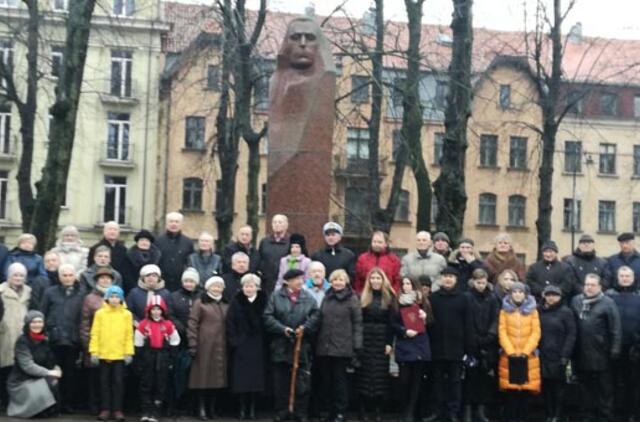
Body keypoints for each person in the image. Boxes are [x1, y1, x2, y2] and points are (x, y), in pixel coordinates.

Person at [264, 268, 320, 422]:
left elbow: (316, 316)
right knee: (280, 382)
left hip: (301, 346)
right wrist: (283, 329)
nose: (300, 282)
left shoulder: (308, 298)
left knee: (302, 382)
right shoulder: (276, 296)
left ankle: (300, 412)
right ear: (287, 281)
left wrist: (305, 328)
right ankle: (282, 410)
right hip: (281, 345)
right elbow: (268, 317)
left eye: (301, 279)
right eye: (296, 279)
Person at [571, 273, 621, 422]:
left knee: (604, 388)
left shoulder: (608, 303)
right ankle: (586, 415)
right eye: (587, 284)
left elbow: (616, 328)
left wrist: (615, 349)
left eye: (593, 285)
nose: (589, 288)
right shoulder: (576, 301)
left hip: (602, 353)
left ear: (600, 287)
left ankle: (605, 416)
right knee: (584, 387)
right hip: (581, 352)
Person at [315, 269, 362, 422]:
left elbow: (357, 323)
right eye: (335, 280)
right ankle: (328, 411)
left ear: (346, 281)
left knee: (339, 382)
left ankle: (340, 412)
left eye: (341, 280)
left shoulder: (352, 298)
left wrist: (357, 346)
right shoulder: (326, 297)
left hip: (342, 347)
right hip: (324, 346)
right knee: (325, 382)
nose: (338, 282)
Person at [428, 267, 474, 422]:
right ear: (441, 279)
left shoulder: (464, 298)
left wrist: (468, 348)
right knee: (436, 381)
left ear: (456, 280)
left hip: (456, 347)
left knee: (455, 382)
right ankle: (437, 410)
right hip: (437, 346)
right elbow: (428, 323)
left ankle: (453, 411)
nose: (448, 279)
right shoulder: (433, 298)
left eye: (451, 277)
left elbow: (468, 324)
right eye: (445, 276)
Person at [40, 263, 85, 413]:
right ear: (59, 277)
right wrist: (45, 333)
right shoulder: (50, 292)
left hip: (73, 340)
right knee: (53, 373)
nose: (67, 278)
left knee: (71, 375)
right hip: (54, 339)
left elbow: (83, 318)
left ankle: (68, 404)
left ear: (75, 276)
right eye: (64, 275)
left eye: (70, 275)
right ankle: (53, 404)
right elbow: (42, 314)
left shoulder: (82, 293)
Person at [356, 267, 395, 422]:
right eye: (373, 278)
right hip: (365, 339)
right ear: (369, 281)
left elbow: (392, 323)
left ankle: (378, 410)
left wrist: (388, 343)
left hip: (381, 340)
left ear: (383, 280)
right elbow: (358, 321)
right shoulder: (363, 297)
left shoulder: (389, 297)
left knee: (379, 377)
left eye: (378, 278)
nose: (375, 281)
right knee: (364, 376)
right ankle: (362, 409)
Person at [226, 273, 268, 420]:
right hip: (241, 345)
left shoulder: (264, 301)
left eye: (251, 286)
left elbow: (267, 321)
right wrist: (234, 341)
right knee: (242, 380)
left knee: (256, 380)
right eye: (246, 286)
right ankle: (242, 409)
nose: (248, 289)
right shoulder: (236, 302)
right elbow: (230, 322)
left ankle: (252, 409)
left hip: (258, 344)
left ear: (257, 287)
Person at [89, 285, 134, 422]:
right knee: (104, 383)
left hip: (120, 355)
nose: (114, 299)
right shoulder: (100, 313)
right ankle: (105, 409)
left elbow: (129, 335)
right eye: (112, 296)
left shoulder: (127, 314)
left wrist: (128, 352)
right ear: (107, 298)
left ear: (121, 299)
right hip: (103, 354)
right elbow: (95, 333)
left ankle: (118, 409)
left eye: (117, 297)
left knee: (118, 383)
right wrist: (94, 351)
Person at [498, 282, 541, 422]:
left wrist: (526, 351)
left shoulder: (533, 311)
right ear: (510, 294)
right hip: (509, 356)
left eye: (520, 292)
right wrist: (510, 351)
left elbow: (536, 332)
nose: (517, 294)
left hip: (528, 357)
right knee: (511, 392)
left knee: (526, 391)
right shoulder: (504, 312)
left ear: (525, 294)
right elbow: (502, 332)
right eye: (514, 292)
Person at [188, 276, 229, 421]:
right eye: (214, 286)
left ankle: (212, 409)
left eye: (219, 286)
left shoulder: (225, 304)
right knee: (203, 379)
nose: (217, 288)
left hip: (221, 346)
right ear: (208, 287)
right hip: (204, 345)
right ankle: (201, 409)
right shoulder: (200, 303)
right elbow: (193, 323)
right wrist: (192, 343)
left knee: (217, 380)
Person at [7, 310, 61, 418]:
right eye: (33, 322)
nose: (37, 325)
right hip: (21, 380)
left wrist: (56, 369)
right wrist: (49, 372)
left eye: (40, 322)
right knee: (47, 382)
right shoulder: (22, 341)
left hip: (38, 377)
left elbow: (51, 361)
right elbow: (27, 366)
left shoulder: (45, 340)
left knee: (53, 382)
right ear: (28, 324)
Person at [391, 277, 431, 422]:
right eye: (403, 284)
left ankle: (411, 412)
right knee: (404, 380)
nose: (406, 286)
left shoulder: (423, 302)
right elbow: (392, 323)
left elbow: (432, 323)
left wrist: (425, 317)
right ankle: (404, 409)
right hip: (404, 343)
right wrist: (403, 331)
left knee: (417, 381)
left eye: (408, 284)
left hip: (420, 344)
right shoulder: (396, 302)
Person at [135, 296, 180, 422]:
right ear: (149, 311)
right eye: (153, 309)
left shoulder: (168, 325)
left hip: (163, 356)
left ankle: (156, 411)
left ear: (163, 311)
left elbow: (175, 341)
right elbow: (138, 342)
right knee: (146, 384)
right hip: (148, 356)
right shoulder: (144, 325)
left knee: (160, 385)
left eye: (158, 309)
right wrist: (139, 360)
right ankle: (145, 410)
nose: (156, 312)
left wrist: (171, 359)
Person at [463, 269, 499, 422]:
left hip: (487, 344)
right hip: (471, 344)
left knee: (484, 379)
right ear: (473, 282)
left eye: (483, 283)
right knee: (470, 379)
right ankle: (468, 410)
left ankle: (481, 409)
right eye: (478, 282)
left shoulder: (492, 298)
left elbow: (496, 318)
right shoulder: (466, 297)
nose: (481, 286)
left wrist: (490, 336)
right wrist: (473, 338)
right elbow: (465, 319)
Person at [605, 266, 640, 422]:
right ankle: (612, 413)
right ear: (617, 278)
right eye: (622, 275)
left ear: (633, 278)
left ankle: (631, 413)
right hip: (613, 348)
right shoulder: (609, 297)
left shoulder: (639, 297)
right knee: (611, 382)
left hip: (634, 349)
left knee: (632, 384)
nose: (625, 278)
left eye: (628, 276)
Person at [80, 267, 115, 414]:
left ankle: (109, 407)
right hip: (95, 344)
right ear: (96, 281)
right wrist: (88, 345)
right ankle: (94, 406)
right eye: (102, 278)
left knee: (110, 379)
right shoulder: (90, 298)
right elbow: (84, 323)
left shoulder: (117, 297)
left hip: (113, 345)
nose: (105, 280)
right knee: (94, 379)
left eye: (108, 278)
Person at [538, 284, 576, 422]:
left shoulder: (566, 312)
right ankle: (549, 413)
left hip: (559, 355)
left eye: (554, 295)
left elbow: (571, 334)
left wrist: (565, 354)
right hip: (543, 355)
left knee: (558, 387)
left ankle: (558, 414)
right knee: (546, 386)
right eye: (548, 295)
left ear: (560, 297)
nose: (551, 298)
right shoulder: (539, 310)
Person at [167, 268, 200, 414]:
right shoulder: (174, 296)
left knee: (194, 374)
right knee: (177, 373)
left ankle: (191, 405)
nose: (189, 284)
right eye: (186, 281)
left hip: (196, 340)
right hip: (178, 339)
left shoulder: (201, 296)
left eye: (192, 281)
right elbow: (170, 314)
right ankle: (175, 404)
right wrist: (182, 329)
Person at [0, 263, 32, 407]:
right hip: (4, 334)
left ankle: (17, 402)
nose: (18, 278)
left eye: (21, 275)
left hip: (23, 335)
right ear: (9, 276)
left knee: (21, 369)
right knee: (4, 368)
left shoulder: (29, 291)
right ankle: (3, 401)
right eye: (15, 275)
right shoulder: (1, 290)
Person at [156, 212, 194, 292]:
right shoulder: (158, 241)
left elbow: (190, 263)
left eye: (177, 222)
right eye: (171, 221)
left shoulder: (188, 242)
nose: (174, 224)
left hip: (181, 285)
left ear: (181, 224)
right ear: (166, 223)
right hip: (161, 284)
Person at [258, 214, 291, 294]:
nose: (277, 224)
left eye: (280, 222)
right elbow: (260, 258)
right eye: (274, 222)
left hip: (284, 282)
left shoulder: (291, 242)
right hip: (266, 282)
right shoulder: (264, 241)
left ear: (286, 225)